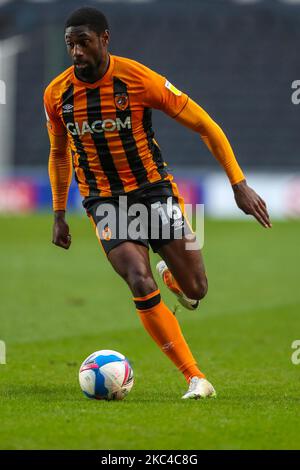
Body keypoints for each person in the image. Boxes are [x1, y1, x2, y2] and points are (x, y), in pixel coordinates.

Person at [44, 7, 271, 400]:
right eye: (70, 45)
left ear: (104, 39)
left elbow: (205, 124)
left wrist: (239, 184)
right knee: (138, 279)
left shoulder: (138, 80)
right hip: (105, 200)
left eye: (84, 42)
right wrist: (59, 214)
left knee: (196, 290)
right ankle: (195, 377)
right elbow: (59, 154)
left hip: (153, 192)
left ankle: (176, 278)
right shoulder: (57, 95)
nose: (77, 52)